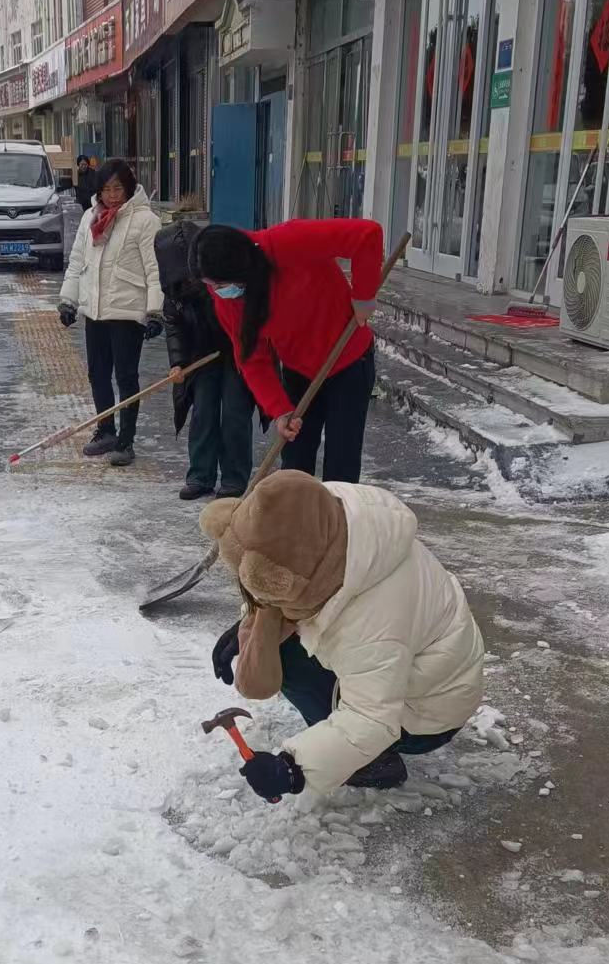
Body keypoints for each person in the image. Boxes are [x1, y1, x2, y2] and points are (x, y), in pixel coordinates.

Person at [203, 471, 484, 802]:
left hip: (426, 715)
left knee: (290, 661)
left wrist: (295, 769)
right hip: (414, 666)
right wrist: (248, 625)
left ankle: (372, 762)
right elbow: (283, 558)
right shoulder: (328, 512)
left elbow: (371, 718)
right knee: (287, 640)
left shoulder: (374, 619)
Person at [190, 218, 383, 484]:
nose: (217, 292)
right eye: (211, 285)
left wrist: (363, 295)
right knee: (294, 466)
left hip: (348, 358)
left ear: (240, 267)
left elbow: (366, 235)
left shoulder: (287, 242)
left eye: (219, 284)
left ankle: (339, 522)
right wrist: (279, 409)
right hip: (299, 369)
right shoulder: (229, 299)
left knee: (342, 463)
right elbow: (251, 358)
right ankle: (294, 524)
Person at [58, 159, 164, 467]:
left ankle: (125, 441)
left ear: (129, 187)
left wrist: (155, 311)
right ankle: (105, 429)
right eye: (106, 189)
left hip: (128, 311)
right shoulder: (91, 217)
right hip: (96, 310)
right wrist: (69, 301)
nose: (112, 195)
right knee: (97, 374)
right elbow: (78, 261)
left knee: (126, 377)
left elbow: (154, 269)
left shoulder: (145, 220)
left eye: (118, 188)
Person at [154, 218, 255, 500]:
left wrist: (235, 346)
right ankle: (200, 475)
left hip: (236, 353)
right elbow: (173, 325)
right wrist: (177, 362)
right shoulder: (173, 291)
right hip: (201, 356)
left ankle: (235, 479)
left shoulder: (220, 279)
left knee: (235, 413)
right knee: (203, 413)